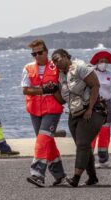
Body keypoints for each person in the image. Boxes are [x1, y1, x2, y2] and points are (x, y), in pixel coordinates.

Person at [51, 49, 106, 187]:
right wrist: (52, 91)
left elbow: (95, 85)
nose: (56, 63)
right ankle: (92, 177)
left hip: (92, 111)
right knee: (84, 146)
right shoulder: (62, 76)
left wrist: (90, 109)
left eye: (57, 59)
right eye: (54, 62)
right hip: (74, 114)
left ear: (65, 56)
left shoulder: (80, 67)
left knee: (82, 144)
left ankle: (75, 178)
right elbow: (62, 100)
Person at [22, 39, 66, 187]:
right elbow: (25, 89)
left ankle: (37, 175)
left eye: (40, 52)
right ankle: (60, 176)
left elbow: (65, 87)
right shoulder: (28, 68)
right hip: (34, 110)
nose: (37, 56)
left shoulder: (56, 67)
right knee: (48, 142)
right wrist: (43, 90)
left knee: (42, 140)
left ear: (46, 52)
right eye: (34, 54)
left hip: (52, 110)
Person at [89, 51, 111, 168]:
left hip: (107, 105)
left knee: (105, 132)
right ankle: (90, 160)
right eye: (100, 61)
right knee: (93, 133)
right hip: (94, 104)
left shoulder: (110, 73)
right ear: (97, 63)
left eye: (105, 61)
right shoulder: (91, 72)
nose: (103, 63)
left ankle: (104, 160)